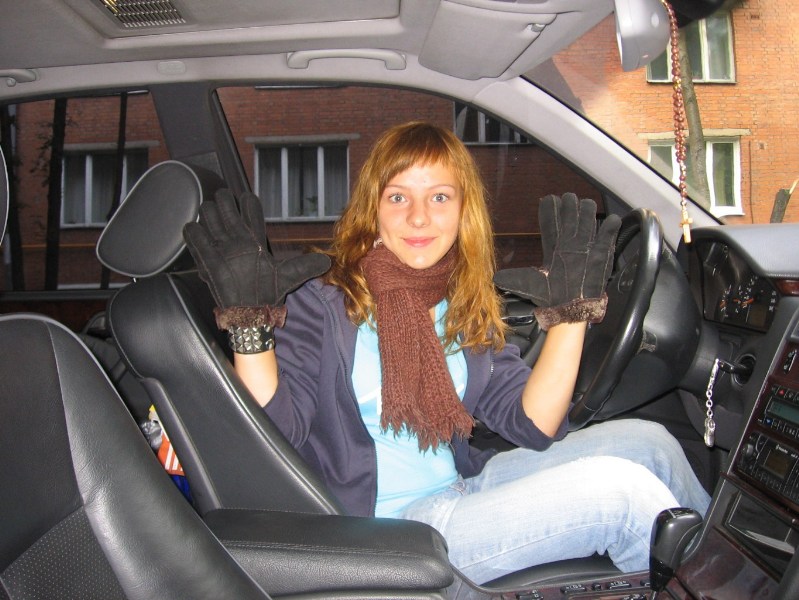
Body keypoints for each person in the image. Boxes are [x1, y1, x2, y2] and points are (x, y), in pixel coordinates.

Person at [183, 121, 710, 590]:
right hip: (391, 531)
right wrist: (250, 326)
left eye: (439, 197)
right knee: (620, 496)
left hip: (460, 486)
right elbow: (275, 432)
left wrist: (570, 315)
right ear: (372, 208)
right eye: (398, 197)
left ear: (463, 211)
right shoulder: (322, 301)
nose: (418, 217)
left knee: (652, 444)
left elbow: (533, 424)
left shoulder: (461, 301)